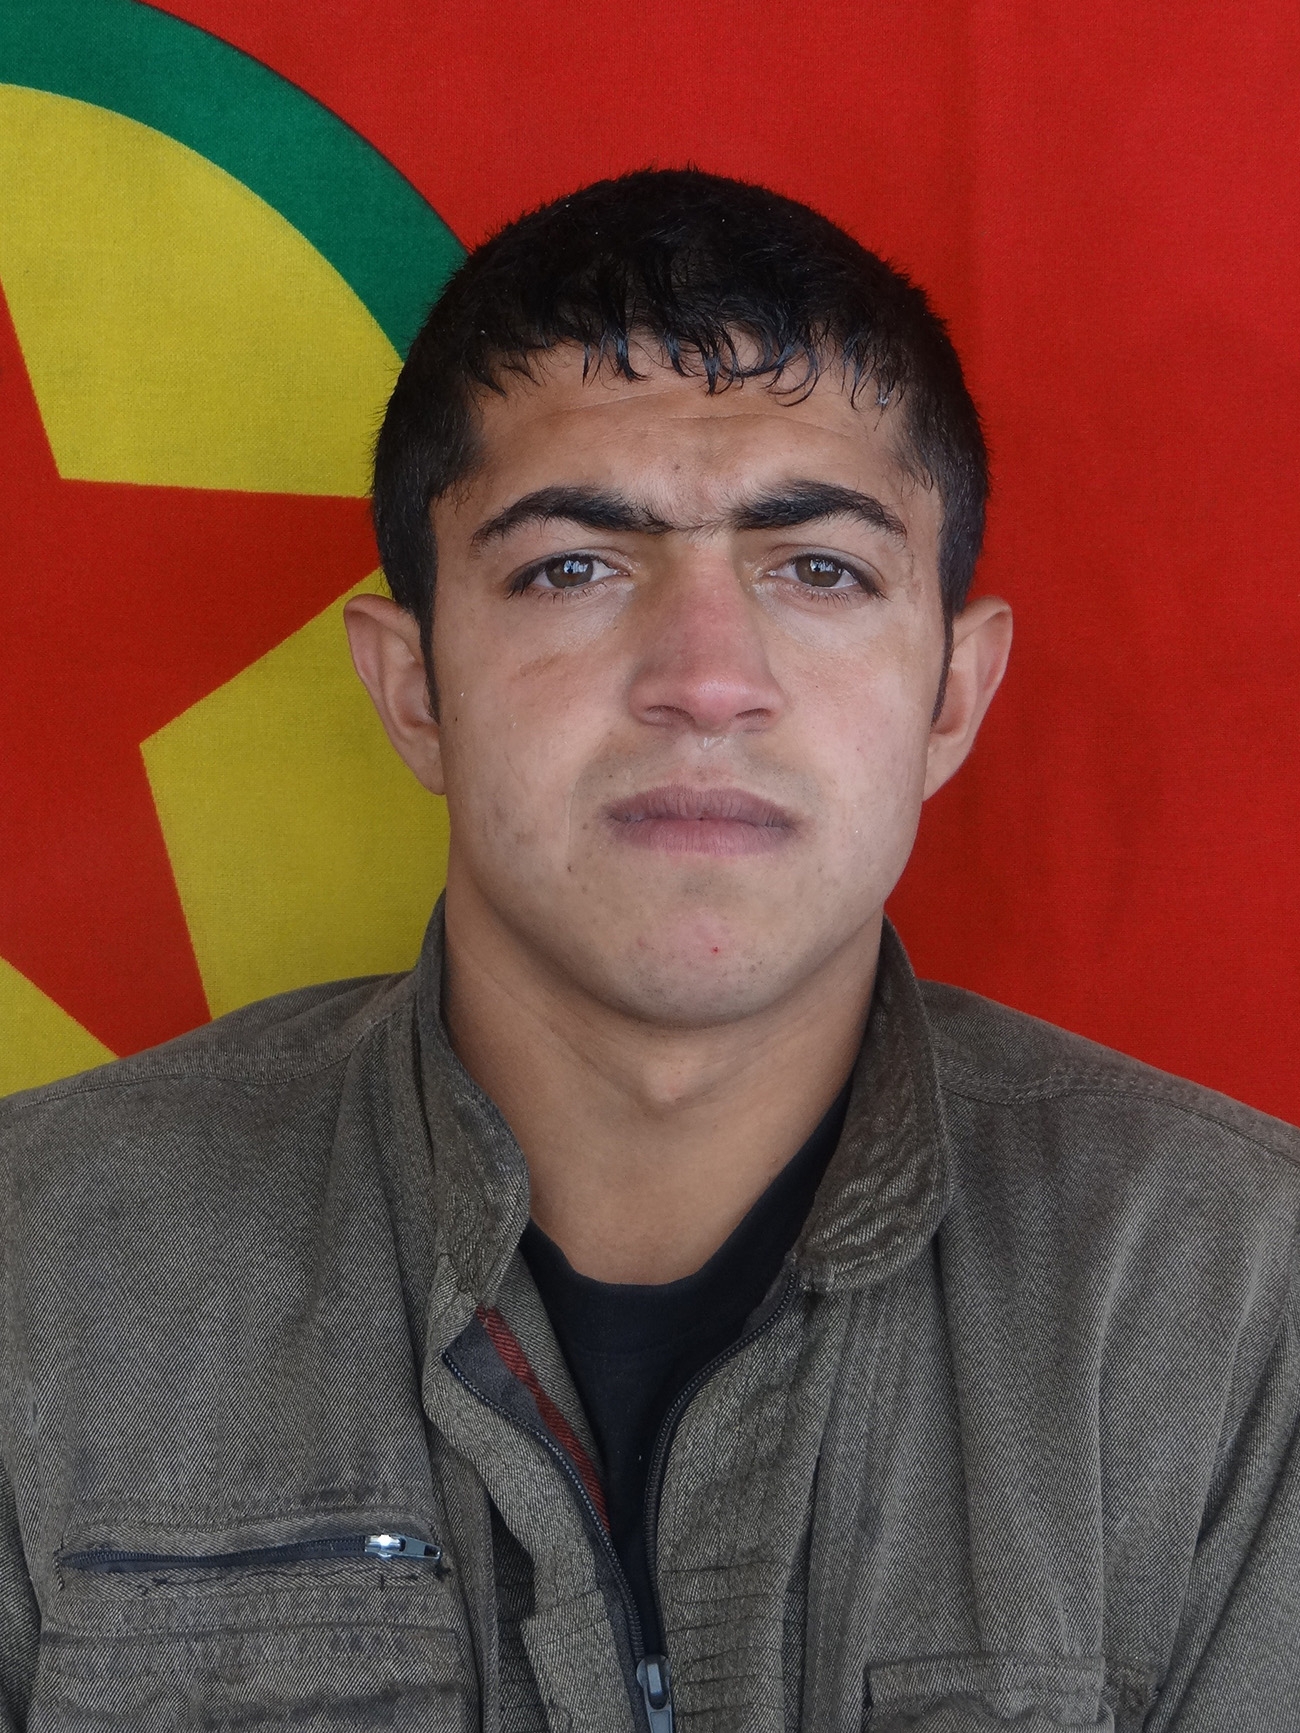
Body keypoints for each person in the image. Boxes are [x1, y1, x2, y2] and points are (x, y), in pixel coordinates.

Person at [1, 169, 1296, 1733]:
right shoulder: (38, 1277)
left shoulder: (1240, 1307)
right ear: (413, 689)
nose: (705, 676)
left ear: (954, 695)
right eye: (574, 565)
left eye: (818, 567)